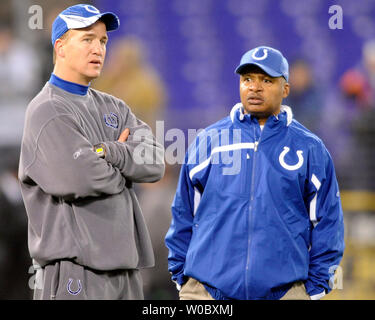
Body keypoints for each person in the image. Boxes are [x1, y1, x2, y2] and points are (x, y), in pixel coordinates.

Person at [165, 46, 344, 300]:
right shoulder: (209, 141)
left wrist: (313, 289)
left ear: (286, 89)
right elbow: (183, 213)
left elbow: (328, 224)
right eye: (247, 79)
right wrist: (183, 277)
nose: (255, 87)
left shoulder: (309, 148)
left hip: (284, 293)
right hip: (206, 292)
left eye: (266, 80)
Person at [18, 4, 165, 300]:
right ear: (60, 47)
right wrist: (125, 171)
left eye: (102, 41)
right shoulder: (48, 110)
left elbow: (154, 163)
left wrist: (108, 152)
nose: (97, 48)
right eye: (86, 39)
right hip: (75, 271)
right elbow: (82, 177)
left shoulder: (114, 106)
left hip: (126, 270)